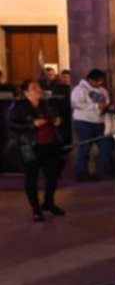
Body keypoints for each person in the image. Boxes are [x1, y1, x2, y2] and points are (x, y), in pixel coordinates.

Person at [8, 79, 65, 222]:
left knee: (52, 175)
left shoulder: (46, 104)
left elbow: (56, 115)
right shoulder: (18, 106)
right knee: (31, 177)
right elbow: (12, 125)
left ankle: (49, 202)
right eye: (34, 88)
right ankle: (36, 208)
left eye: (39, 87)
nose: (38, 90)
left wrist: (57, 120)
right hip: (28, 145)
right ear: (26, 92)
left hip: (50, 144)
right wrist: (32, 124)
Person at [70, 68, 114, 180]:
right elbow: (76, 104)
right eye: (97, 81)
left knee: (106, 148)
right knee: (84, 149)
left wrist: (107, 107)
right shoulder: (79, 89)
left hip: (101, 122)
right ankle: (81, 174)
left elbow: (106, 102)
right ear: (90, 80)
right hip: (84, 122)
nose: (100, 83)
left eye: (101, 81)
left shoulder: (103, 90)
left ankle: (105, 173)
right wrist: (95, 106)